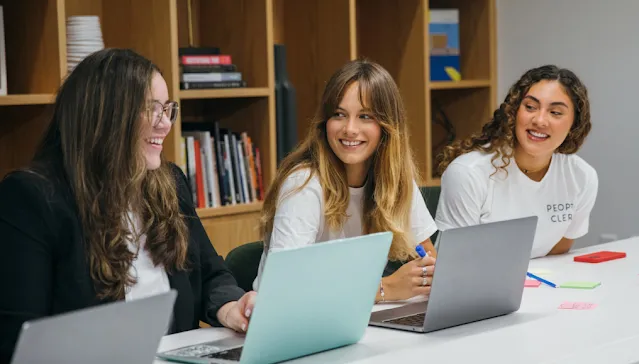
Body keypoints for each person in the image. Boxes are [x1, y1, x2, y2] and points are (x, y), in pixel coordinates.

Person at [0, 48, 255, 362]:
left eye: (168, 109)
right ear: (104, 116)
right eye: (151, 109)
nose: (165, 124)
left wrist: (231, 307)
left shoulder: (170, 183)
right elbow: (16, 342)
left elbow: (209, 275)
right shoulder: (31, 197)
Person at [254, 58, 438, 302]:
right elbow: (283, 290)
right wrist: (385, 289)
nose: (350, 129)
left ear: (388, 126)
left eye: (365, 116)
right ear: (325, 122)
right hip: (292, 322)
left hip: (350, 317)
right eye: (339, 115)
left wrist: (429, 276)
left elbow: (430, 262)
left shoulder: (396, 180)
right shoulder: (303, 185)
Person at [435, 65, 598, 258]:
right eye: (530, 107)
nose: (540, 120)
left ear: (574, 124)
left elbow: (559, 249)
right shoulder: (468, 173)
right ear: (514, 112)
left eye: (555, 112)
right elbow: (454, 260)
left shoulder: (581, 176)